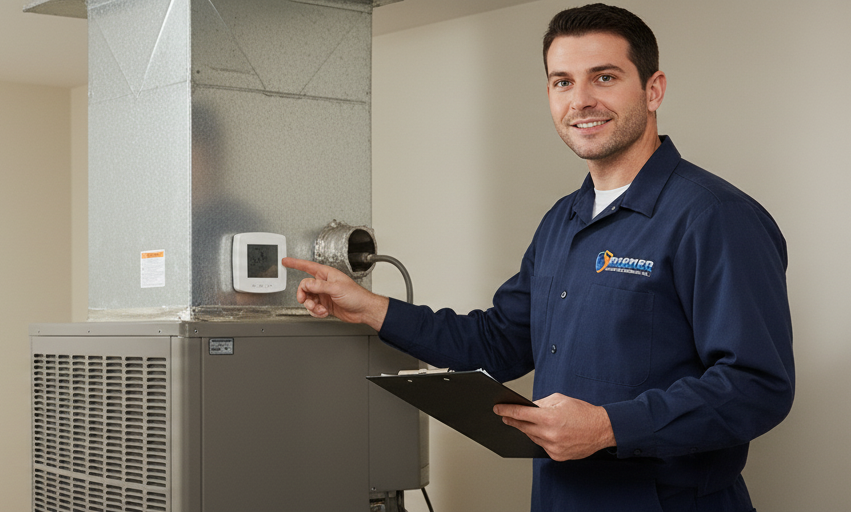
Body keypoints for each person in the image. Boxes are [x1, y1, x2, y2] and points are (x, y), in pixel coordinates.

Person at [283, 4, 794, 511]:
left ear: (653, 88)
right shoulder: (562, 221)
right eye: (562, 82)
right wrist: (367, 306)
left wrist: (608, 427)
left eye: (605, 77)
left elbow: (756, 386)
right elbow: (500, 342)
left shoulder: (714, 216)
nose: (582, 100)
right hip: (558, 498)